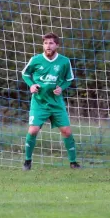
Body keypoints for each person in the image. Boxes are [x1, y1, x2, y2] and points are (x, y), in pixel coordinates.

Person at [21, 32, 80, 170]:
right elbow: (25, 74)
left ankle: (73, 162)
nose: (48, 46)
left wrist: (61, 88)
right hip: (39, 102)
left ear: (57, 45)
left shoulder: (64, 61)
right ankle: (27, 161)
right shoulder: (35, 60)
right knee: (33, 130)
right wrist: (31, 85)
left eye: (51, 43)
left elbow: (69, 79)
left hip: (56, 103)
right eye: (46, 43)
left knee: (66, 131)